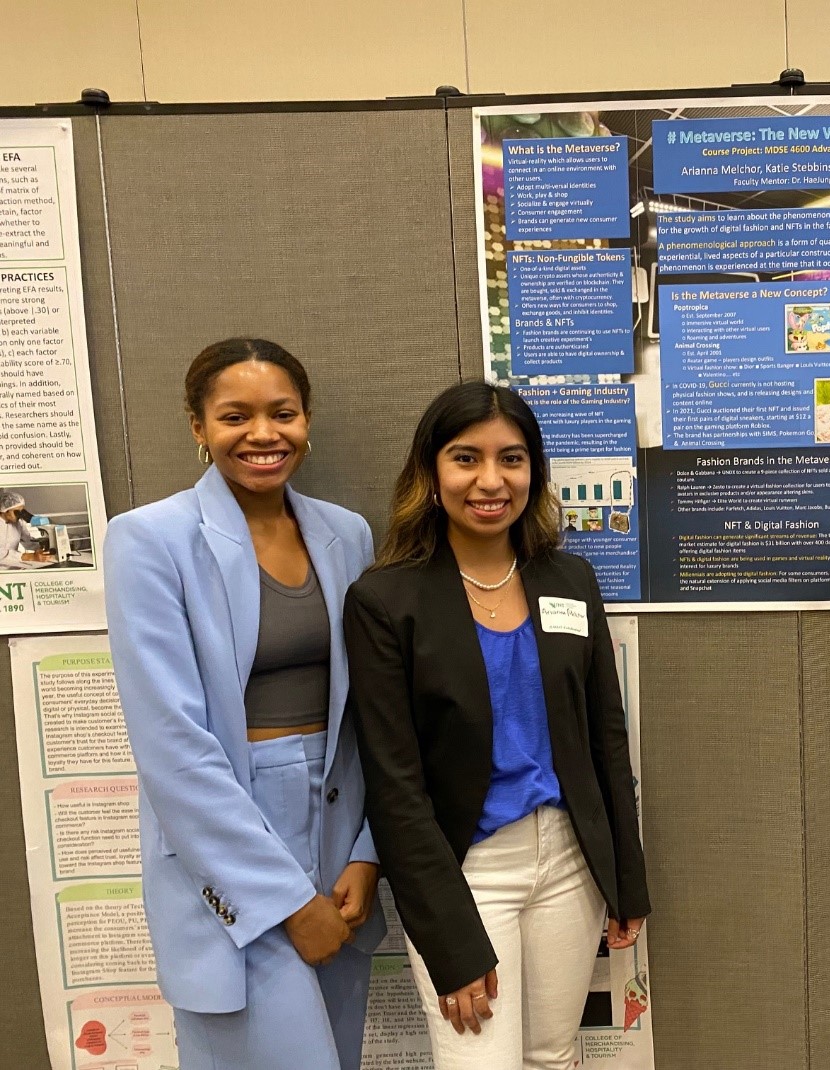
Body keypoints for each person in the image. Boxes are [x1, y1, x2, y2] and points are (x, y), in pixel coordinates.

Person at [345, 380, 649, 1070]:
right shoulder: (386, 601)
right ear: (430, 472)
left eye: (511, 459)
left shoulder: (569, 579)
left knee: (553, 1054)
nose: (490, 480)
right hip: (469, 868)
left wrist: (625, 879)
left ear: (534, 472)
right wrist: (447, 939)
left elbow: (606, 736)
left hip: (570, 860)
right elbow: (394, 787)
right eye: (465, 459)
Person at [104, 338, 384, 1070]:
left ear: (307, 419)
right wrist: (288, 903)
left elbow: (370, 713)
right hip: (225, 844)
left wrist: (367, 853)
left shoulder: (346, 534)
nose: (264, 434)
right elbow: (173, 748)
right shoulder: (148, 540)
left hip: (335, 835)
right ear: (198, 427)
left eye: (282, 413)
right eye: (235, 416)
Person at [0, 491, 52, 566]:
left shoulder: (18, 523)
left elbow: (28, 541)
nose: (20, 515)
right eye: (16, 512)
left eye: (22, 511)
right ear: (5, 510)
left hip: (12, 565)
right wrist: (30, 557)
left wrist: (42, 548)